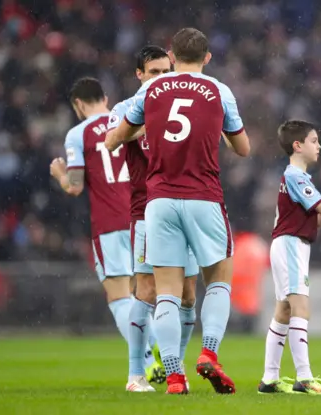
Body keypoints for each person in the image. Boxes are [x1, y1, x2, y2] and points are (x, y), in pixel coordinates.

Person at [107, 27, 250, 395]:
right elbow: (243, 148)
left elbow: (112, 140)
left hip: (158, 202)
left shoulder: (151, 91)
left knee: (166, 293)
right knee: (217, 279)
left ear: (172, 57)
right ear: (208, 57)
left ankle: (173, 376)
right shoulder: (219, 90)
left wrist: (142, 130)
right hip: (203, 195)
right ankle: (210, 354)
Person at [105, 45, 199, 392]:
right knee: (145, 291)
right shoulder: (123, 109)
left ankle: (177, 367)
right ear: (139, 75)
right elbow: (112, 143)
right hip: (145, 210)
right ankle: (135, 374)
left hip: (186, 206)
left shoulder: (183, 107)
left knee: (188, 295)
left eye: (166, 71)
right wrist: (148, 115)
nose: (162, 78)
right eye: (154, 72)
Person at [50, 77, 152, 374]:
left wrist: (59, 174)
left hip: (108, 223)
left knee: (119, 296)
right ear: (105, 98)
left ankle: (146, 358)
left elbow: (75, 186)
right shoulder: (128, 120)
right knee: (147, 293)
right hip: (142, 216)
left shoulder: (77, 134)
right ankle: (165, 355)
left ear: (78, 104)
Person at [258, 120, 321, 395]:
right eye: (313, 140)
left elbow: (318, 221)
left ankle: (269, 379)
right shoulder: (296, 177)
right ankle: (304, 378)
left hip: (289, 244)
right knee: (300, 308)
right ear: (298, 146)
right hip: (290, 245)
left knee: (284, 310)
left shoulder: (297, 178)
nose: (318, 146)